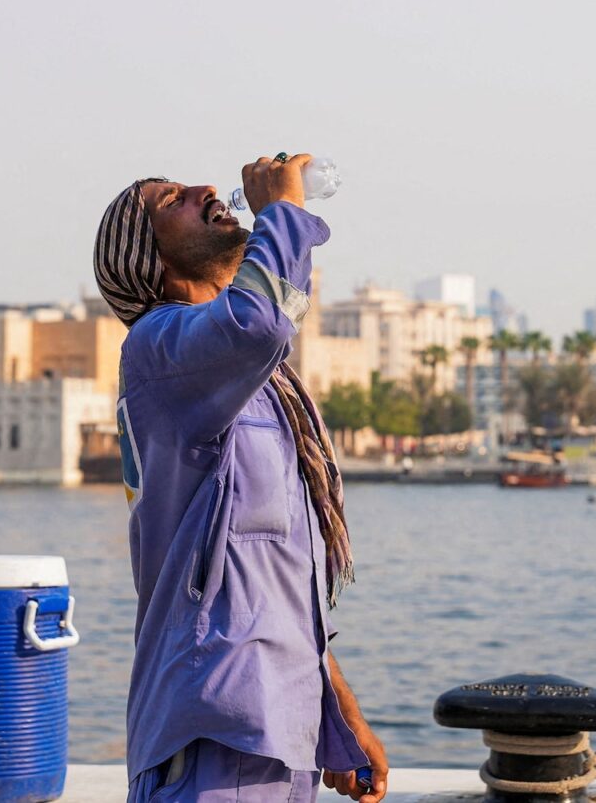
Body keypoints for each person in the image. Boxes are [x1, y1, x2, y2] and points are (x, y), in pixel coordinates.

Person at [94, 154, 388, 802]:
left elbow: (271, 581)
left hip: (280, 734)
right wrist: (284, 212)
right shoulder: (159, 346)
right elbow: (258, 323)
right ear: (150, 260)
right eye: (170, 199)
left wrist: (340, 715)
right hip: (212, 733)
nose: (202, 188)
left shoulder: (256, 387)